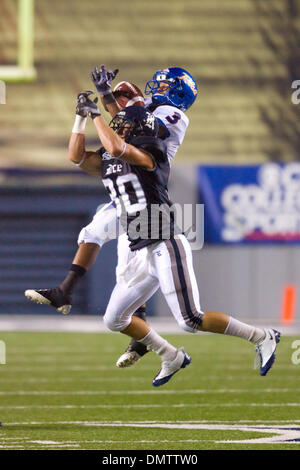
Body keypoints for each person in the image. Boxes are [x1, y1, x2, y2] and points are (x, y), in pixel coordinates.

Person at [66, 92, 280, 386]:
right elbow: (76, 157)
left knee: (190, 319)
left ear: (139, 129)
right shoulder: (113, 152)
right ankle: (170, 355)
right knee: (114, 319)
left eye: (125, 124)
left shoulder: (151, 152)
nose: (119, 125)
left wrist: (95, 115)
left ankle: (262, 336)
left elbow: (116, 147)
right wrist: (80, 118)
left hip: (165, 242)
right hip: (141, 247)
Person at [25, 66, 195, 368]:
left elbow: (130, 130)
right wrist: (93, 107)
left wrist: (104, 104)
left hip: (145, 196)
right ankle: (66, 291)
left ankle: (134, 327)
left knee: (129, 272)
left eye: (124, 100)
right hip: (125, 198)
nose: (118, 107)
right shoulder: (136, 118)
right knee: (95, 236)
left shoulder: (170, 115)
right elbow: (85, 151)